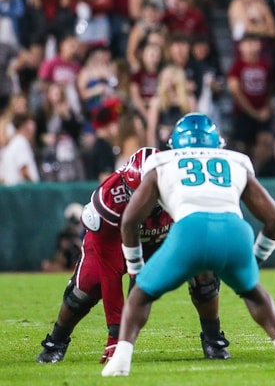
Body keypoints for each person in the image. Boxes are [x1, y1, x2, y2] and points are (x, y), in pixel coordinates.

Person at [101, 114, 275, 376]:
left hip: (190, 231)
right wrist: (255, 259)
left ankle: (121, 361)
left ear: (175, 143)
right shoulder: (236, 161)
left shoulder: (162, 161)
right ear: (215, 142)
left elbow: (130, 220)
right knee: (254, 292)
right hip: (234, 231)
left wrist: (135, 266)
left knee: (140, 294)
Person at [37, 147, 232, 364]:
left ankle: (213, 340)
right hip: (117, 244)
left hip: (165, 240)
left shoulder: (186, 190)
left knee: (204, 270)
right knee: (85, 288)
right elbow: (110, 271)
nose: (142, 200)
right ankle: (56, 342)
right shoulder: (110, 199)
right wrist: (116, 336)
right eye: (137, 193)